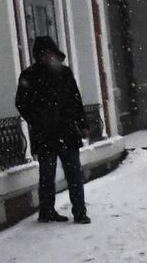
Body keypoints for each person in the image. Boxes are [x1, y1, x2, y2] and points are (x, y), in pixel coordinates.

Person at [14, 36, 90, 224]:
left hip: (66, 131)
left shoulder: (64, 73)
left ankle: (79, 211)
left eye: (49, 53)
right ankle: (47, 211)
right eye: (43, 53)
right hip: (46, 133)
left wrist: (82, 124)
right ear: (38, 55)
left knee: (74, 174)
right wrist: (37, 120)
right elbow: (21, 103)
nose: (47, 56)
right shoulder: (29, 76)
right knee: (47, 175)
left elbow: (75, 99)